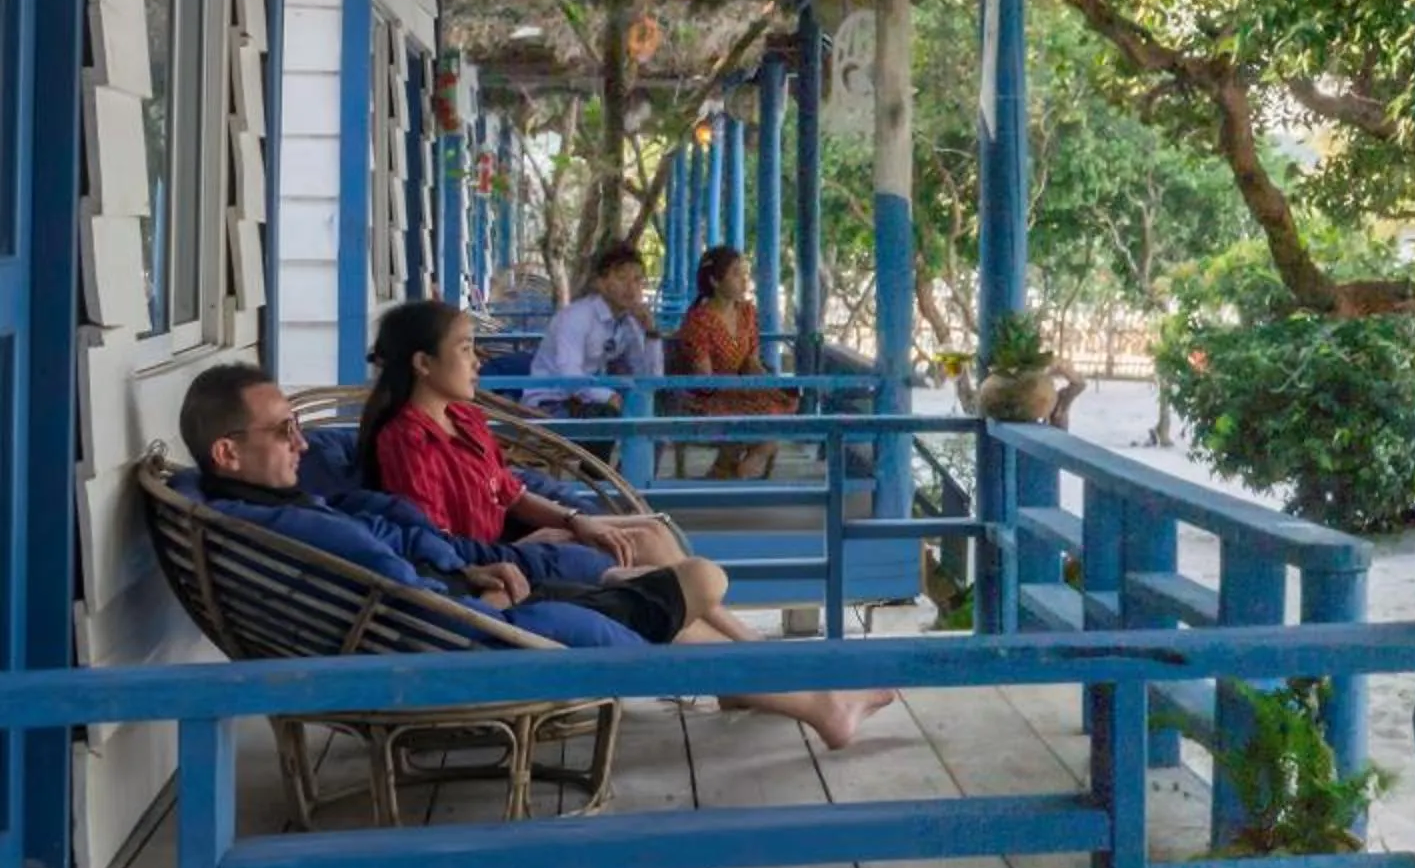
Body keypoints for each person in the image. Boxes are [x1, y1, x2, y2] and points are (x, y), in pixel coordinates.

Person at [182, 363, 895, 749]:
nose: (301, 444)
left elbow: (412, 548)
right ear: (227, 452)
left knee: (674, 597)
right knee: (692, 587)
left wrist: (478, 562)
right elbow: (398, 583)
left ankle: (811, 701)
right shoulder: (304, 525)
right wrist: (485, 592)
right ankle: (814, 701)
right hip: (479, 635)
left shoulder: (279, 509)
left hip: (475, 603)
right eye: (283, 433)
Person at [363, 299, 683, 574]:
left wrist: (573, 521)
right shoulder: (407, 440)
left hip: (517, 541)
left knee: (655, 529)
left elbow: (510, 493)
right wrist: (524, 546)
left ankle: (731, 642)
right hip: (497, 562)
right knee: (642, 546)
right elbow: (435, 540)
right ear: (423, 363)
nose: (477, 361)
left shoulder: (465, 418)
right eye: (464, 349)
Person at [667, 245, 794, 481]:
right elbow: (704, 378)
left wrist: (765, 380)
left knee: (786, 400)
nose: (744, 280)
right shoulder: (699, 320)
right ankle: (737, 466)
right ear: (715, 281)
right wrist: (736, 386)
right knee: (765, 414)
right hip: (708, 395)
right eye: (736, 273)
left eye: (745, 273)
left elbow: (751, 361)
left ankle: (731, 466)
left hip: (740, 389)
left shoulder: (747, 312)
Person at [531, 240, 665, 448]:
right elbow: (569, 375)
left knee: (655, 431)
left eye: (638, 280)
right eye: (622, 278)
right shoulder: (576, 317)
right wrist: (607, 395)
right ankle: (595, 479)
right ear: (600, 283)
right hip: (551, 402)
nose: (631, 288)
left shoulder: (629, 321)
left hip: (589, 401)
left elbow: (650, 379)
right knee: (604, 418)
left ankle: (623, 480)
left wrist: (651, 332)